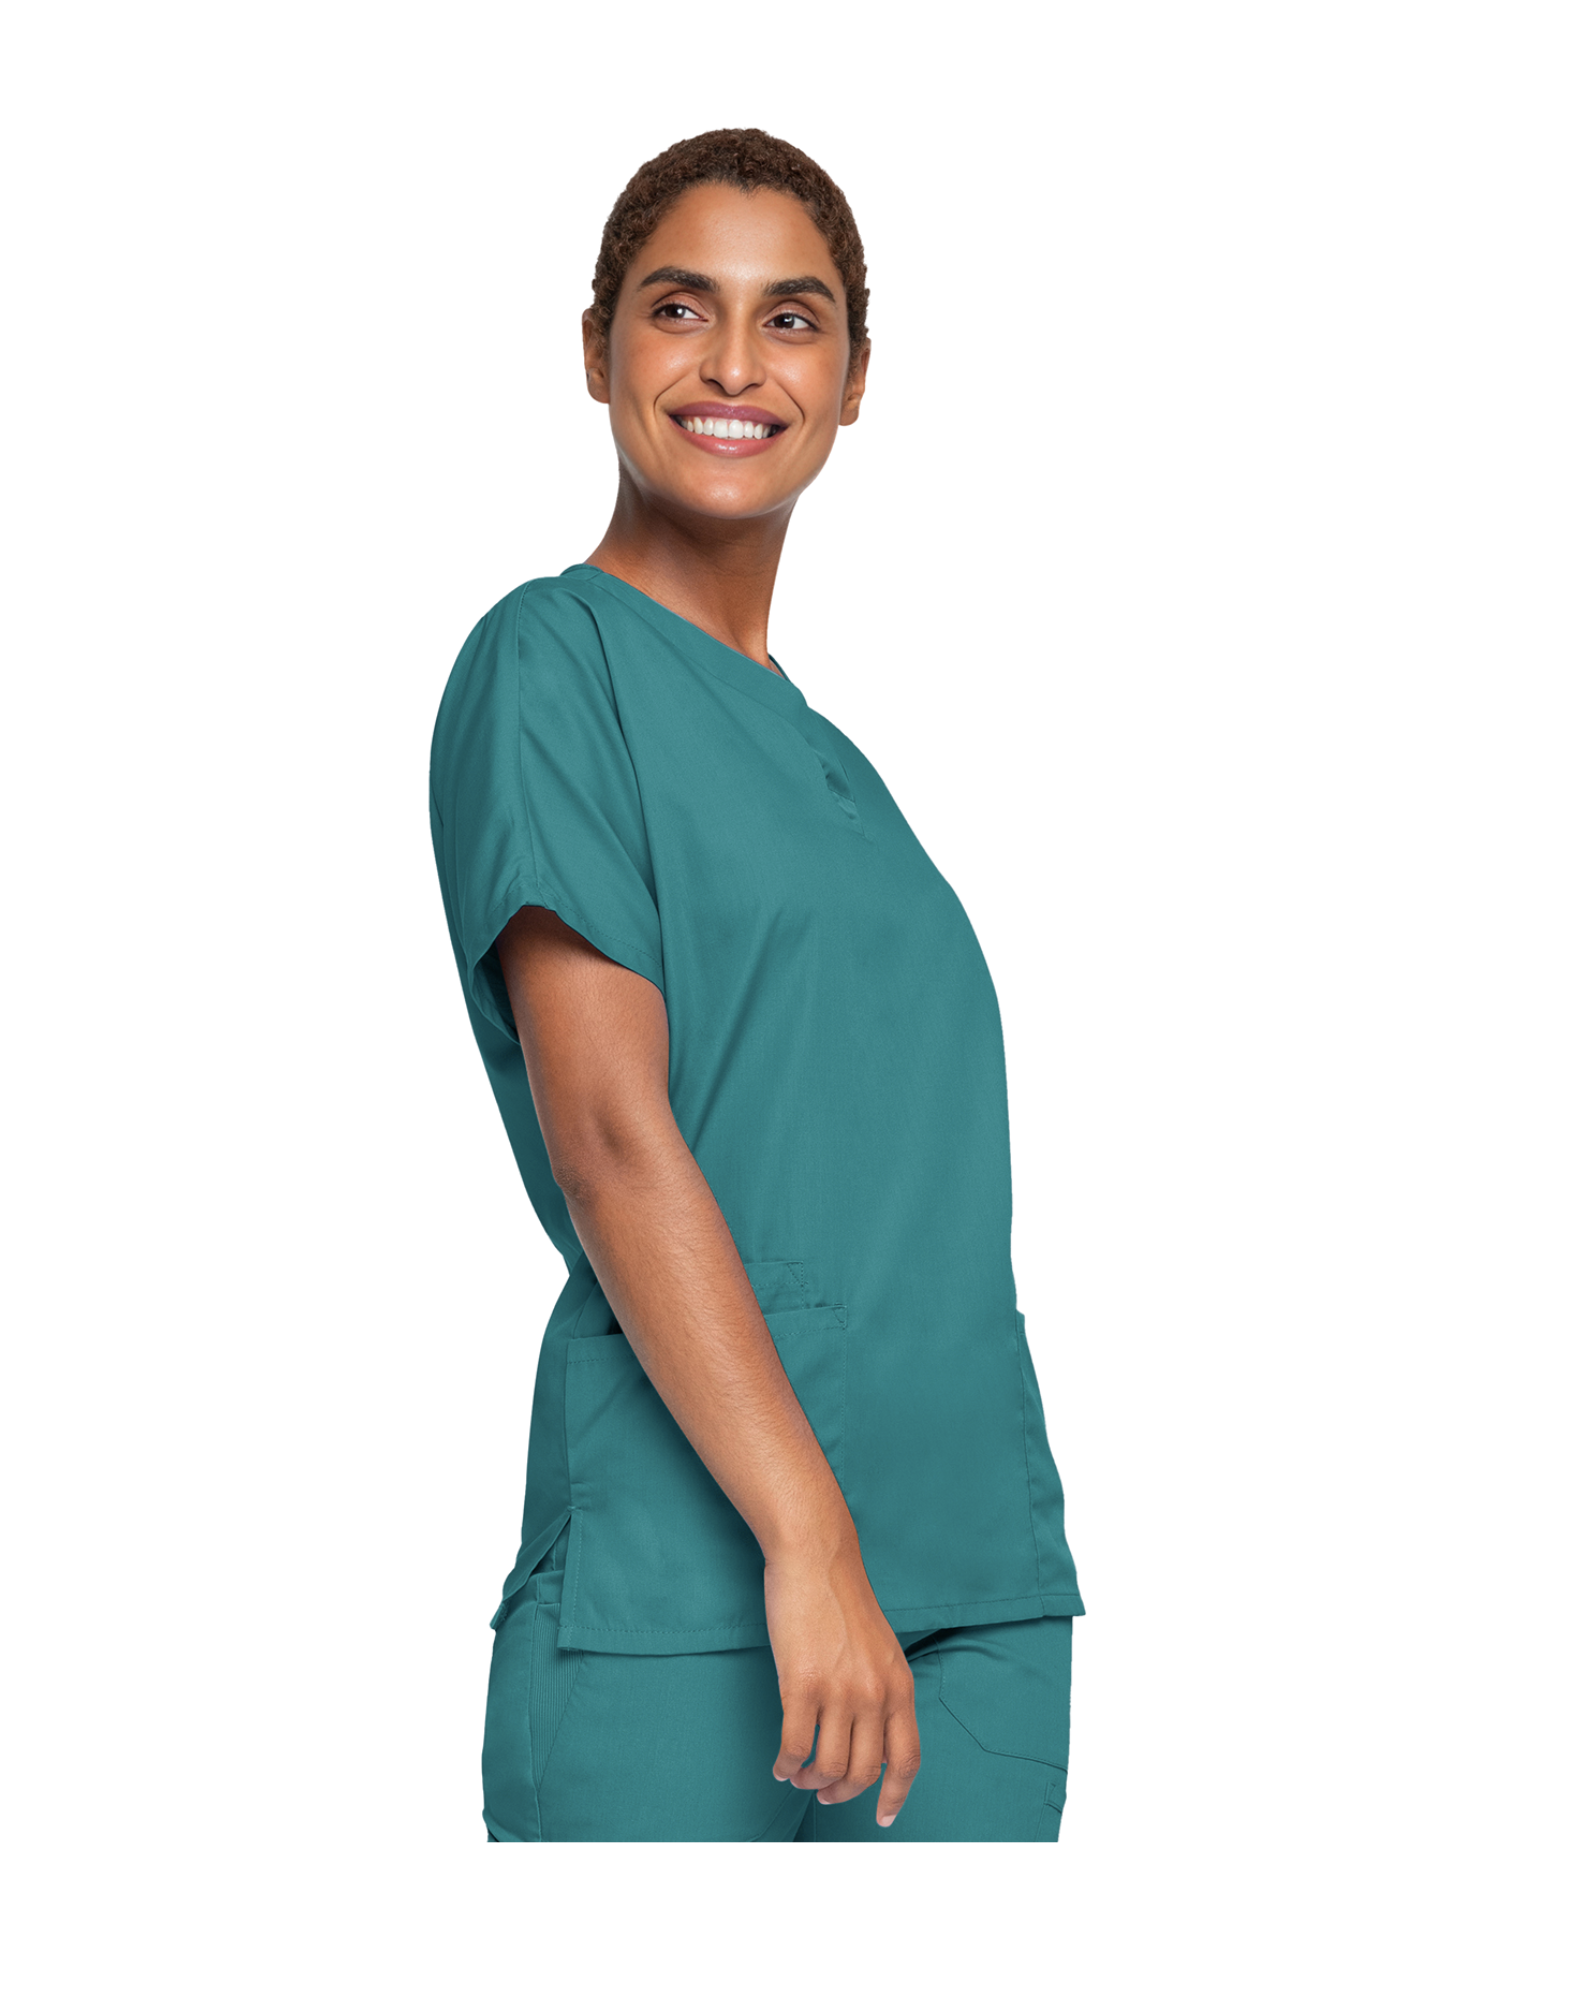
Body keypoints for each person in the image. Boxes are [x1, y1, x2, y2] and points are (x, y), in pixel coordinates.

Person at [430, 129, 1081, 1842]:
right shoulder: (553, 662)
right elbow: (609, 1137)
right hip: (706, 1585)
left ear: (853, 380)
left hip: (978, 1593)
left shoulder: (839, 763)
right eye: (678, 309)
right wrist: (810, 1532)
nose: (733, 364)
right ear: (597, 351)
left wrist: (907, 1549)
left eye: (790, 319)